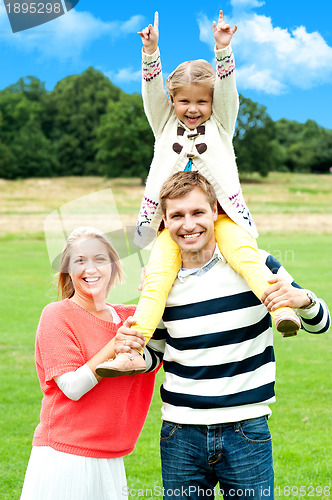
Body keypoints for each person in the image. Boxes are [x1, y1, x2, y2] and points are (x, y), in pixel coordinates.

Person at [96, 10, 300, 377]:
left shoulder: (222, 123)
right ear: (172, 101)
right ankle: (133, 347)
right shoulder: (163, 123)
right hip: (171, 224)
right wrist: (151, 52)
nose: (192, 109)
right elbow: (150, 90)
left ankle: (280, 308)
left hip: (223, 215)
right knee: (156, 279)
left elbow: (228, 91)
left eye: (201, 102)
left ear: (212, 103)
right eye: (184, 101)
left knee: (246, 258)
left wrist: (224, 48)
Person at [113, 171, 330, 500]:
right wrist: (132, 350)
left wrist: (305, 300)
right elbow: (155, 354)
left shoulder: (258, 264)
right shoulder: (158, 282)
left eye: (198, 212)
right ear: (164, 222)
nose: (189, 225)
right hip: (180, 434)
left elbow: (322, 323)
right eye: (177, 216)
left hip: (246, 431)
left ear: (216, 211)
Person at [20, 226, 159, 500]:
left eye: (99, 259)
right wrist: (113, 345)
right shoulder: (57, 316)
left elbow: (168, 340)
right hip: (65, 455)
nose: (90, 268)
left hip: (111, 455)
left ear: (114, 266)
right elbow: (72, 387)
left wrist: (156, 283)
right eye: (79, 261)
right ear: (68, 270)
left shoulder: (134, 317)